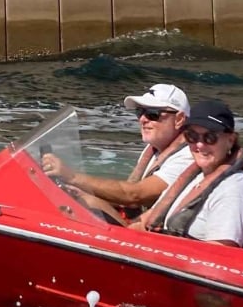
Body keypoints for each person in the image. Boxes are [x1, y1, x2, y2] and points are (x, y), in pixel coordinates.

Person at [40, 84, 193, 221]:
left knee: (85, 203)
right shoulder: (155, 149)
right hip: (137, 222)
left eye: (153, 114)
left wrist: (71, 176)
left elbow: (135, 195)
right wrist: (80, 190)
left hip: (157, 241)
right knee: (79, 198)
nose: (142, 120)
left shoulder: (186, 156)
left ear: (179, 119)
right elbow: (126, 193)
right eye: (140, 112)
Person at [136, 99, 243, 246]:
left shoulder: (233, 191)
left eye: (210, 137)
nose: (199, 145)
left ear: (231, 140)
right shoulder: (192, 178)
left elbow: (221, 255)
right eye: (192, 137)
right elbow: (145, 221)